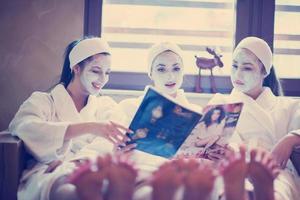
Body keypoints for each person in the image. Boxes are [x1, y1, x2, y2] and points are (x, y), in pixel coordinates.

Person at [8, 37, 132, 200]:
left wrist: (76, 163)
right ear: (76, 68)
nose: (103, 79)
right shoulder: (44, 101)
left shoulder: (105, 105)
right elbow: (23, 126)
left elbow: (113, 140)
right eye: (96, 71)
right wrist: (90, 127)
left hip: (93, 168)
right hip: (50, 171)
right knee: (67, 191)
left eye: (107, 73)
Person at [207, 36, 300, 199]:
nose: (238, 74)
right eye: (234, 66)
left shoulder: (287, 106)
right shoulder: (220, 102)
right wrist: (220, 152)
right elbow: (205, 142)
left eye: (247, 68)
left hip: (273, 170)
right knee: (223, 185)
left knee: (278, 189)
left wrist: (292, 138)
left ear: (264, 71)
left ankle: (261, 189)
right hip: (232, 168)